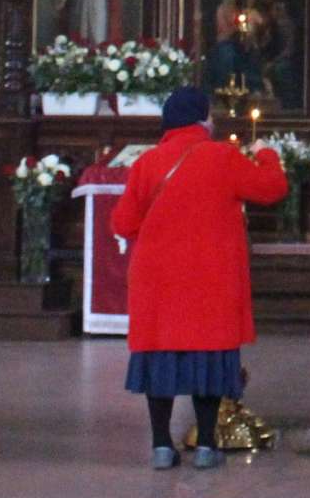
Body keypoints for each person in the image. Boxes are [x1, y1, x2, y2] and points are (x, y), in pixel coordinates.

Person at [111, 87, 288, 470]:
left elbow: (122, 223)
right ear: (199, 119)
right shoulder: (223, 157)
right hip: (210, 280)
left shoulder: (147, 163)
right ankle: (207, 446)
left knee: (159, 360)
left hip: (158, 281)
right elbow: (272, 188)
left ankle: (161, 446)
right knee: (208, 359)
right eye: (209, 114)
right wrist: (266, 155)